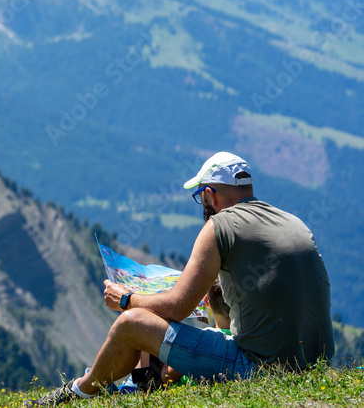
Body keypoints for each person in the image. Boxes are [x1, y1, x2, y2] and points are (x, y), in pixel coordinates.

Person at [30, 151, 334, 406]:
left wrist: (125, 299)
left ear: (210, 195)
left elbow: (177, 308)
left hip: (259, 368)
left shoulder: (220, 226)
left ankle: (77, 393)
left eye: (200, 197)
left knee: (130, 323)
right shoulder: (291, 221)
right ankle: (136, 385)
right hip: (316, 364)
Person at [160, 278, 231, 386]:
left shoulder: (199, 340)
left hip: (181, 391)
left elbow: (167, 377)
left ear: (206, 301)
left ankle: (132, 385)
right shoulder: (247, 335)